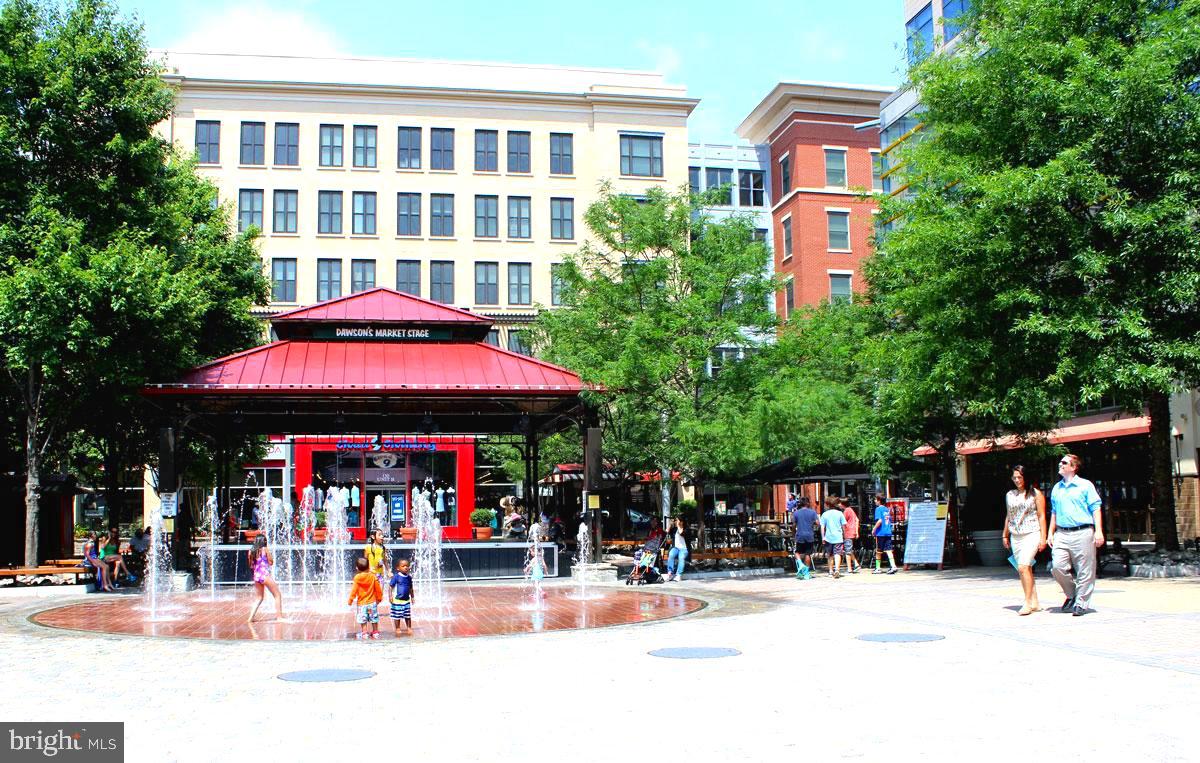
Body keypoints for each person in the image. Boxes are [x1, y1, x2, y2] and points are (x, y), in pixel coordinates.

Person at [1049, 454, 1104, 616]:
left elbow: (1096, 508)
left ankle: (1081, 602)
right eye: (1060, 462)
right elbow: (1054, 512)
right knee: (1057, 566)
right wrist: (1050, 533)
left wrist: (1099, 530)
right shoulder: (1056, 488)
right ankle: (1072, 594)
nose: (1060, 464)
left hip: (1083, 531)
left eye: (1064, 462)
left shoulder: (1085, 485)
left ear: (1073, 467)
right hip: (1062, 533)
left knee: (1085, 569)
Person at [1002, 465, 1047, 615]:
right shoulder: (1010, 494)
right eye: (1014, 477)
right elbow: (1009, 515)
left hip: (1032, 532)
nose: (1016, 480)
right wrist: (1005, 534)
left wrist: (1043, 538)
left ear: (1026, 477)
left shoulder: (1036, 494)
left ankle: (1027, 602)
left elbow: (1041, 516)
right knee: (1024, 569)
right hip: (1016, 534)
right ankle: (1035, 601)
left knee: (1023, 566)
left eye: (1019, 477)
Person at [247, 535, 284, 623]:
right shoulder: (264, 549)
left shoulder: (250, 551)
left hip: (256, 576)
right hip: (264, 575)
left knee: (259, 598)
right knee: (277, 595)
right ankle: (279, 617)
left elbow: (251, 565)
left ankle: (250, 618)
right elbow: (271, 562)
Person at [347, 556, 383, 640]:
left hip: (362, 603)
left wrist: (350, 600)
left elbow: (354, 590)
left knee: (363, 618)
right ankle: (375, 632)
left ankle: (364, 632)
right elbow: (377, 588)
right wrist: (379, 598)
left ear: (357, 568)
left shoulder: (357, 578)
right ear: (368, 567)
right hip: (372, 602)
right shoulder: (372, 576)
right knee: (373, 617)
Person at [792, 497, 819, 580]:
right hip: (809, 535)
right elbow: (818, 523)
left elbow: (794, 525)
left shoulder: (796, 513)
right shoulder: (813, 512)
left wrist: (793, 533)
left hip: (800, 535)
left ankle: (800, 565)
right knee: (808, 554)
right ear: (808, 503)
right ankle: (806, 574)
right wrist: (813, 524)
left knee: (797, 552)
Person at [820, 498, 847, 578]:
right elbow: (844, 526)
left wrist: (823, 537)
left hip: (828, 537)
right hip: (838, 537)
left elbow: (822, 527)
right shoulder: (840, 513)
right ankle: (837, 570)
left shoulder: (825, 514)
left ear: (828, 505)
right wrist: (844, 535)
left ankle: (830, 571)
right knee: (838, 553)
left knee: (830, 555)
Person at [871, 494, 898, 574]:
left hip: (880, 533)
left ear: (879, 500)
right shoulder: (886, 509)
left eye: (875, 499)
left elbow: (879, 521)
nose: (875, 501)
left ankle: (878, 568)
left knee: (879, 551)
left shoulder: (878, 509)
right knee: (889, 550)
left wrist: (874, 529)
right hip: (888, 532)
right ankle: (893, 566)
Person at [388, 558, 414, 635]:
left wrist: (412, 597)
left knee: (407, 615)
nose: (406, 567)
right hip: (397, 600)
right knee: (397, 615)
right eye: (403, 566)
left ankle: (409, 627)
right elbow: (390, 587)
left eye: (407, 566)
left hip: (406, 600)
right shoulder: (396, 577)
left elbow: (411, 588)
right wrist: (390, 596)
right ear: (398, 568)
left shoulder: (409, 577)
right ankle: (398, 628)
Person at [839, 498, 862, 573]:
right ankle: (856, 564)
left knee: (847, 551)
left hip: (848, 532)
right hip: (851, 532)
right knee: (849, 549)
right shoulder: (851, 510)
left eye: (839, 503)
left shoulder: (846, 511)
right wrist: (856, 531)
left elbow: (842, 522)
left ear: (843, 504)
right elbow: (857, 520)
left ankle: (849, 569)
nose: (838, 505)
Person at [665, 517, 691, 582]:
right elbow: (667, 531)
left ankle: (679, 575)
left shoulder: (687, 529)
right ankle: (670, 573)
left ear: (681, 522)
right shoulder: (675, 529)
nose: (676, 522)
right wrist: (670, 524)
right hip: (676, 548)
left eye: (677, 520)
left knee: (681, 557)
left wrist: (679, 525)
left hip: (684, 549)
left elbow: (681, 533)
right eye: (676, 521)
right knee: (671, 554)